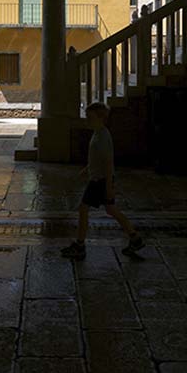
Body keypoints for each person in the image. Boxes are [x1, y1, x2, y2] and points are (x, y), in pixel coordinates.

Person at [62, 101, 144, 259]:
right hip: (99, 178)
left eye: (90, 118)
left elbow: (107, 163)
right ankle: (135, 238)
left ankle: (80, 245)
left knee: (83, 209)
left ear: (101, 118)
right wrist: (86, 169)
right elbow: (97, 159)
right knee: (111, 210)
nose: (87, 120)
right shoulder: (99, 133)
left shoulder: (102, 137)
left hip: (99, 181)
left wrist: (108, 187)